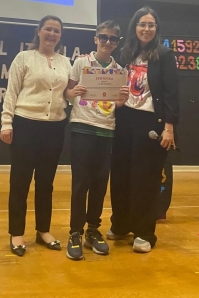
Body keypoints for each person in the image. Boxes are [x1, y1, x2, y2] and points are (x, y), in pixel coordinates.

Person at [107, 6, 179, 253]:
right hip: (124, 120)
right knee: (120, 175)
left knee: (145, 180)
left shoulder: (164, 55)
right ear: (134, 27)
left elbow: (171, 94)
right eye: (142, 24)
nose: (146, 29)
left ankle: (144, 233)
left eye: (151, 25)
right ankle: (120, 224)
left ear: (156, 28)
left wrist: (169, 127)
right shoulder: (125, 53)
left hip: (151, 123)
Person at [0, 15, 71, 257]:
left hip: (55, 128)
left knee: (45, 183)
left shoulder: (66, 62)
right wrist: (6, 123)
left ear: (60, 36)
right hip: (26, 126)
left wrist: (76, 94)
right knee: (20, 182)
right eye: (48, 29)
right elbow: (11, 92)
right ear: (38, 31)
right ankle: (16, 233)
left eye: (57, 31)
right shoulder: (24, 58)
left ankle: (43, 231)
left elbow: (68, 94)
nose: (52, 34)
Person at [64, 20, 129, 260]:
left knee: (100, 184)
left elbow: (115, 104)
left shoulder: (119, 70)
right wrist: (73, 93)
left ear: (117, 43)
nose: (107, 42)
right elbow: (67, 92)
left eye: (113, 39)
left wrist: (121, 101)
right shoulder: (81, 63)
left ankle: (92, 229)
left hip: (106, 130)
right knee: (81, 183)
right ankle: (75, 232)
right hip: (82, 127)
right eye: (104, 37)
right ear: (95, 39)